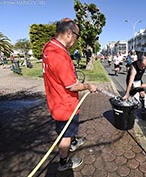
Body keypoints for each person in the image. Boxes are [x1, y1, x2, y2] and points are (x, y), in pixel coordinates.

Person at [42, 18, 97, 171]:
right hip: (65, 105)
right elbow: (72, 86)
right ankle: (63, 162)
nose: (76, 39)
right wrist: (87, 86)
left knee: (67, 130)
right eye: (77, 35)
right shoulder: (60, 55)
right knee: (65, 135)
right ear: (68, 33)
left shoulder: (49, 47)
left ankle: (73, 143)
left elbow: (60, 76)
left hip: (55, 101)